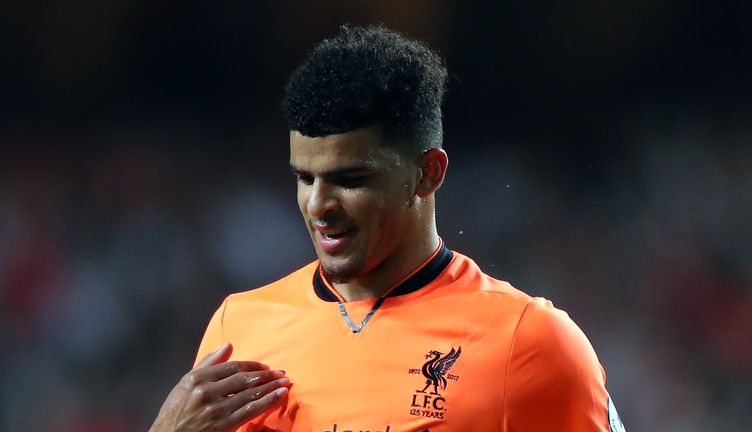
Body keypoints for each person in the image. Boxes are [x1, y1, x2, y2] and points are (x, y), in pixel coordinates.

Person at [150, 25, 626, 432]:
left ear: (428, 173)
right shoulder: (239, 328)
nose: (319, 205)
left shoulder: (530, 344)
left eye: (351, 180)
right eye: (305, 178)